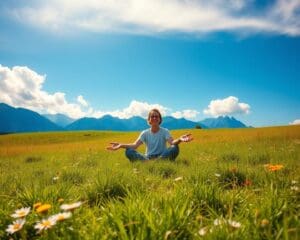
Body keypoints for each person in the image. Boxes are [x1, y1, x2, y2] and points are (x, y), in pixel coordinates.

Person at [107, 108, 193, 161]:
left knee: (175, 147)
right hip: (148, 158)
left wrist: (180, 139)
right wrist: (121, 145)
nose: (154, 118)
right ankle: (152, 163)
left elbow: (172, 142)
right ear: (149, 120)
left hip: (162, 156)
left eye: (157, 116)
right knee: (129, 151)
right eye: (152, 116)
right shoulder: (145, 133)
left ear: (160, 119)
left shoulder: (165, 131)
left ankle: (154, 163)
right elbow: (135, 145)